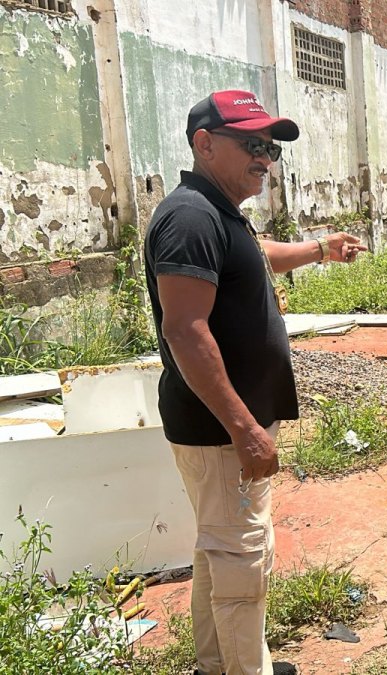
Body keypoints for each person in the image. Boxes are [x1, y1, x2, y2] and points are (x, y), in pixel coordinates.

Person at [143, 90, 367, 675]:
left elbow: (252, 255)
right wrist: (244, 428)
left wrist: (320, 249)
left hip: (222, 427)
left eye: (269, 147)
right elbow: (186, 332)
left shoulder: (217, 213)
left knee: (218, 550)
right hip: (219, 431)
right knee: (242, 560)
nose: (264, 157)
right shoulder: (191, 217)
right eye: (251, 144)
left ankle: (216, 665)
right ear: (204, 143)